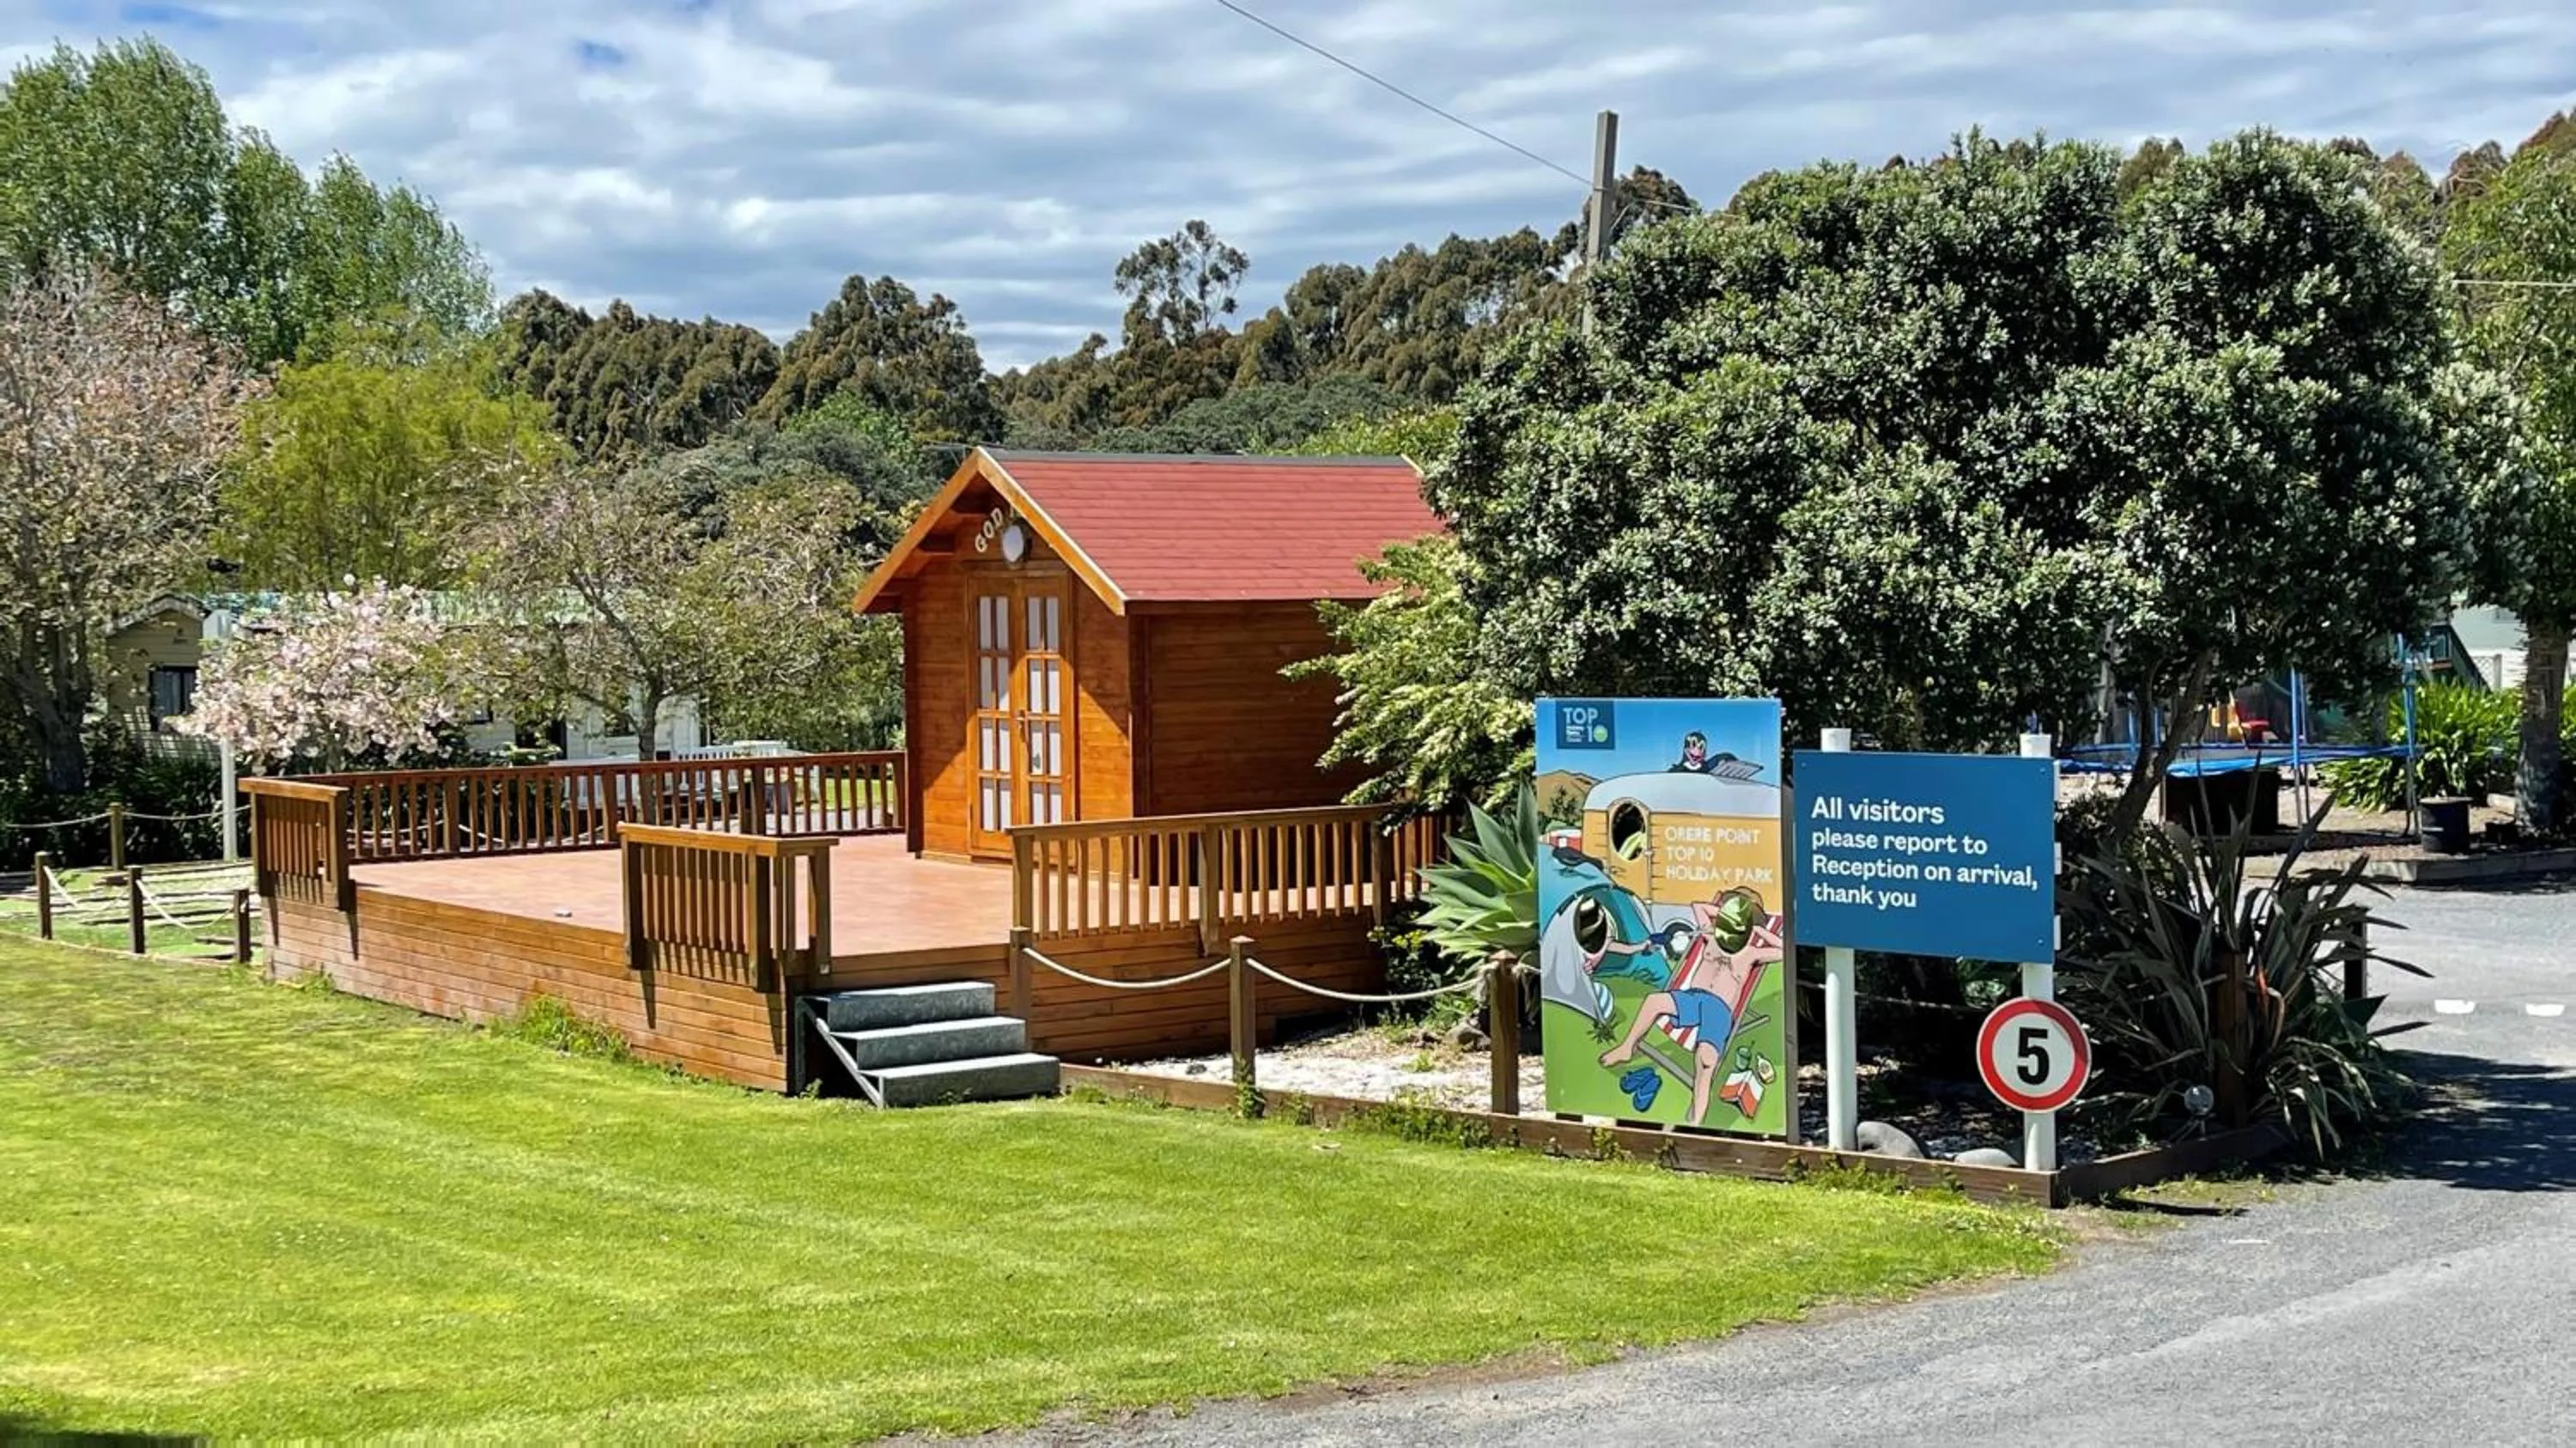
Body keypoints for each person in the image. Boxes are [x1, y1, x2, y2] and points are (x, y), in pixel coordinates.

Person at [1597, 888, 1783, 1124]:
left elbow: (1783, 950)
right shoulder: (1711, 935)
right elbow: (1698, 906)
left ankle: (1697, 1115)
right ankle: (1627, 1048)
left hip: (1719, 1011)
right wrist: (1726, 917)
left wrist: (1756, 929)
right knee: (1654, 1001)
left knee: (1706, 1060)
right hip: (1693, 998)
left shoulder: (1752, 953)